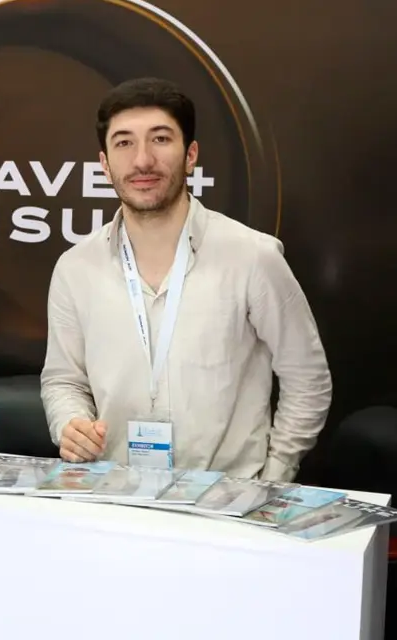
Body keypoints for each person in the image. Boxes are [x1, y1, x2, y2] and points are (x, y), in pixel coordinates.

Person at [40, 77, 331, 483]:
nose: (142, 160)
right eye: (124, 143)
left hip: (228, 502)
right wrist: (70, 424)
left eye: (160, 139)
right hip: (113, 495)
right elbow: (63, 379)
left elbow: (307, 378)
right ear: (105, 164)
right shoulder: (76, 268)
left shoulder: (253, 257)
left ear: (190, 155)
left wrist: (274, 478)